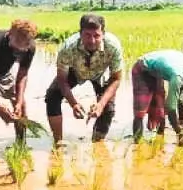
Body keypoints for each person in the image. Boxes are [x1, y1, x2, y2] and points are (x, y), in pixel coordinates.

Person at [45, 14, 124, 144]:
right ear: (80, 34)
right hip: (76, 71)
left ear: (103, 34)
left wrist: (100, 104)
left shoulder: (113, 46)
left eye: (96, 36)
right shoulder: (68, 47)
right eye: (87, 35)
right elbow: (62, 79)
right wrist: (73, 104)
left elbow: (116, 79)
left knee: (108, 109)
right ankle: (58, 142)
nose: (92, 40)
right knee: (52, 95)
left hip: (100, 73)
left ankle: (97, 144)